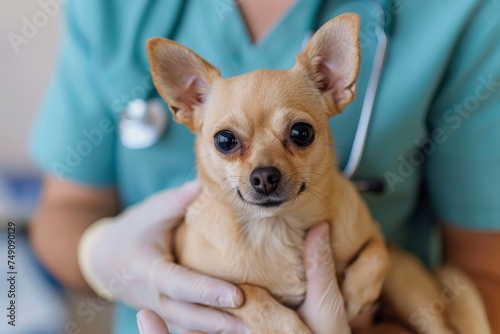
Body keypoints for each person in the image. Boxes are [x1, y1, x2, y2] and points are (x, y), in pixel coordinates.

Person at [29, 0, 500, 333]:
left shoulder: (461, 11)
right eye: (229, 143)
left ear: (335, 87)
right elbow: (61, 212)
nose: (263, 170)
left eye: (297, 135)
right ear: (186, 103)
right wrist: (101, 256)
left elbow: (486, 269)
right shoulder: (112, 8)